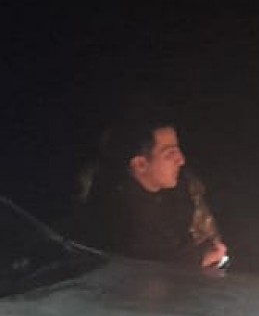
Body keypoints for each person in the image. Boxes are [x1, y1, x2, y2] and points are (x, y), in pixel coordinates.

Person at [71, 107, 228, 273]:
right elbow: (147, 270)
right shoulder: (122, 212)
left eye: (178, 150)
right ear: (140, 164)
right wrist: (200, 259)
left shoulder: (173, 195)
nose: (181, 160)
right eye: (170, 154)